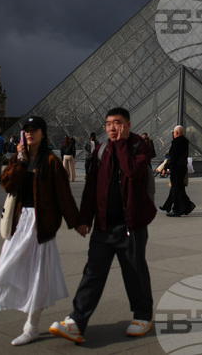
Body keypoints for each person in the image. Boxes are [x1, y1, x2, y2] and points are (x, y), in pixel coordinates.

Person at [49, 107, 157, 344]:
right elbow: (91, 188)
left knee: (134, 272)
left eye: (117, 123)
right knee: (92, 273)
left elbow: (132, 171)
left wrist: (119, 145)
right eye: (108, 123)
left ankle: (142, 316)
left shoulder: (140, 146)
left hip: (131, 225)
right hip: (103, 226)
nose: (111, 128)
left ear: (128, 124)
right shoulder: (100, 151)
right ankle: (76, 321)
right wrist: (85, 219)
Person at [0, 117, 80, 345]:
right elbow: (7, 184)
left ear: (42, 133)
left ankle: (32, 325)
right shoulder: (18, 158)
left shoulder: (51, 161)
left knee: (38, 277)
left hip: (41, 224)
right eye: (26, 130)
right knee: (7, 267)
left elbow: (63, 195)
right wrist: (19, 159)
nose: (29, 134)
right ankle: (28, 317)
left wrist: (77, 221)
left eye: (34, 130)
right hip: (19, 222)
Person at [166, 126, 194, 216]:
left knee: (176, 190)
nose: (173, 134)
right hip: (182, 168)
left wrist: (166, 166)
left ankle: (177, 210)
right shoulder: (185, 141)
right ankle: (187, 206)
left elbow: (172, 156)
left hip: (176, 168)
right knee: (180, 189)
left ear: (177, 133)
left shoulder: (176, 142)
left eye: (173, 132)